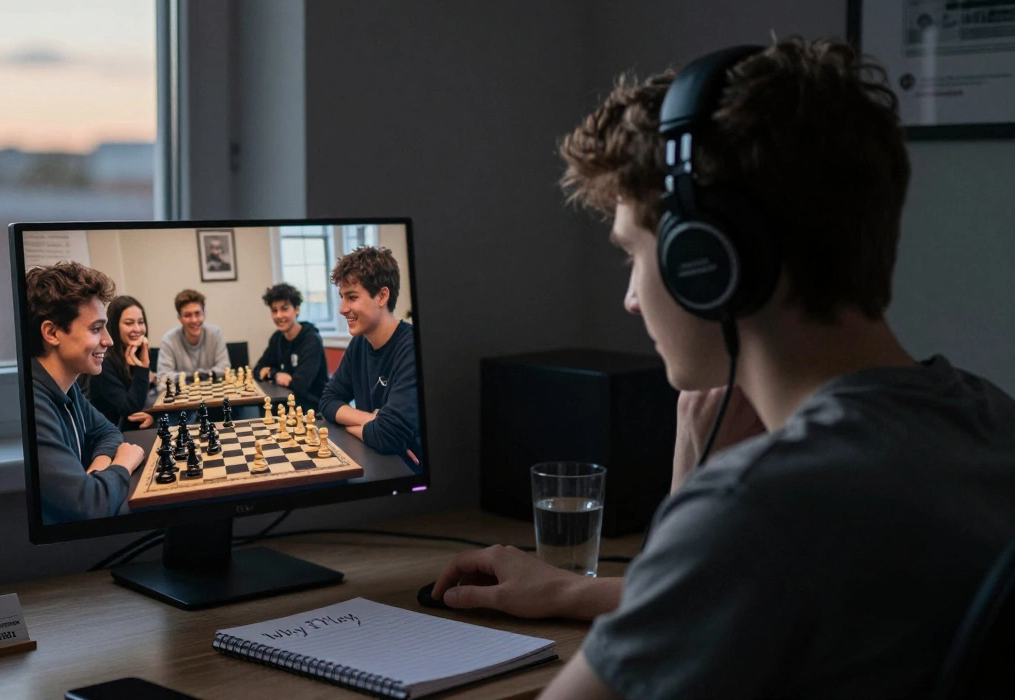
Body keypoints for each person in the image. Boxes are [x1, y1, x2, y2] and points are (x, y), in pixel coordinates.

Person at [431, 37, 1015, 699]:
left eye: (634, 254)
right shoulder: (989, 419)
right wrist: (577, 589)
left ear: (705, 259)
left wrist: (693, 507)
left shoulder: (756, 508)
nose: (628, 297)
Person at [27, 262, 146, 524]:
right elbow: (89, 505)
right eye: (96, 329)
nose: (109, 340)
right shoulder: (33, 406)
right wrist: (122, 464)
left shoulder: (68, 389)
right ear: (51, 332)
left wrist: (99, 467)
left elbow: (107, 431)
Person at [318, 247, 422, 467]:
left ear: (382, 296)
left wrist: (349, 424)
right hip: (374, 461)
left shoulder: (412, 348)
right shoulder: (359, 344)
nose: (342, 309)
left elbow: (389, 435)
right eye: (342, 298)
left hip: (408, 473)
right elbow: (327, 401)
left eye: (352, 297)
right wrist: (371, 419)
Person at [253, 283, 328, 409]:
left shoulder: (311, 339)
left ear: (297, 309)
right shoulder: (277, 338)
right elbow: (257, 370)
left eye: (284, 309)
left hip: (313, 409)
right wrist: (276, 375)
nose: (279, 315)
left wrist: (271, 373)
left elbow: (300, 385)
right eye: (274, 310)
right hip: (286, 403)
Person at [88, 295, 156, 430]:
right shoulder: (104, 362)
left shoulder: (136, 352)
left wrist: (150, 414)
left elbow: (141, 402)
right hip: (110, 436)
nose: (137, 329)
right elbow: (130, 409)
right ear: (114, 326)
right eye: (129, 323)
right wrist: (142, 368)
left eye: (141, 322)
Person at [156, 289, 231, 382]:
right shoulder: (168, 340)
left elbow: (224, 367)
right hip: (183, 395)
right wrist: (190, 378)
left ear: (204, 314)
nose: (194, 320)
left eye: (197, 313)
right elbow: (163, 375)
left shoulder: (215, 334)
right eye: (187, 315)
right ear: (180, 319)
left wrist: (203, 376)